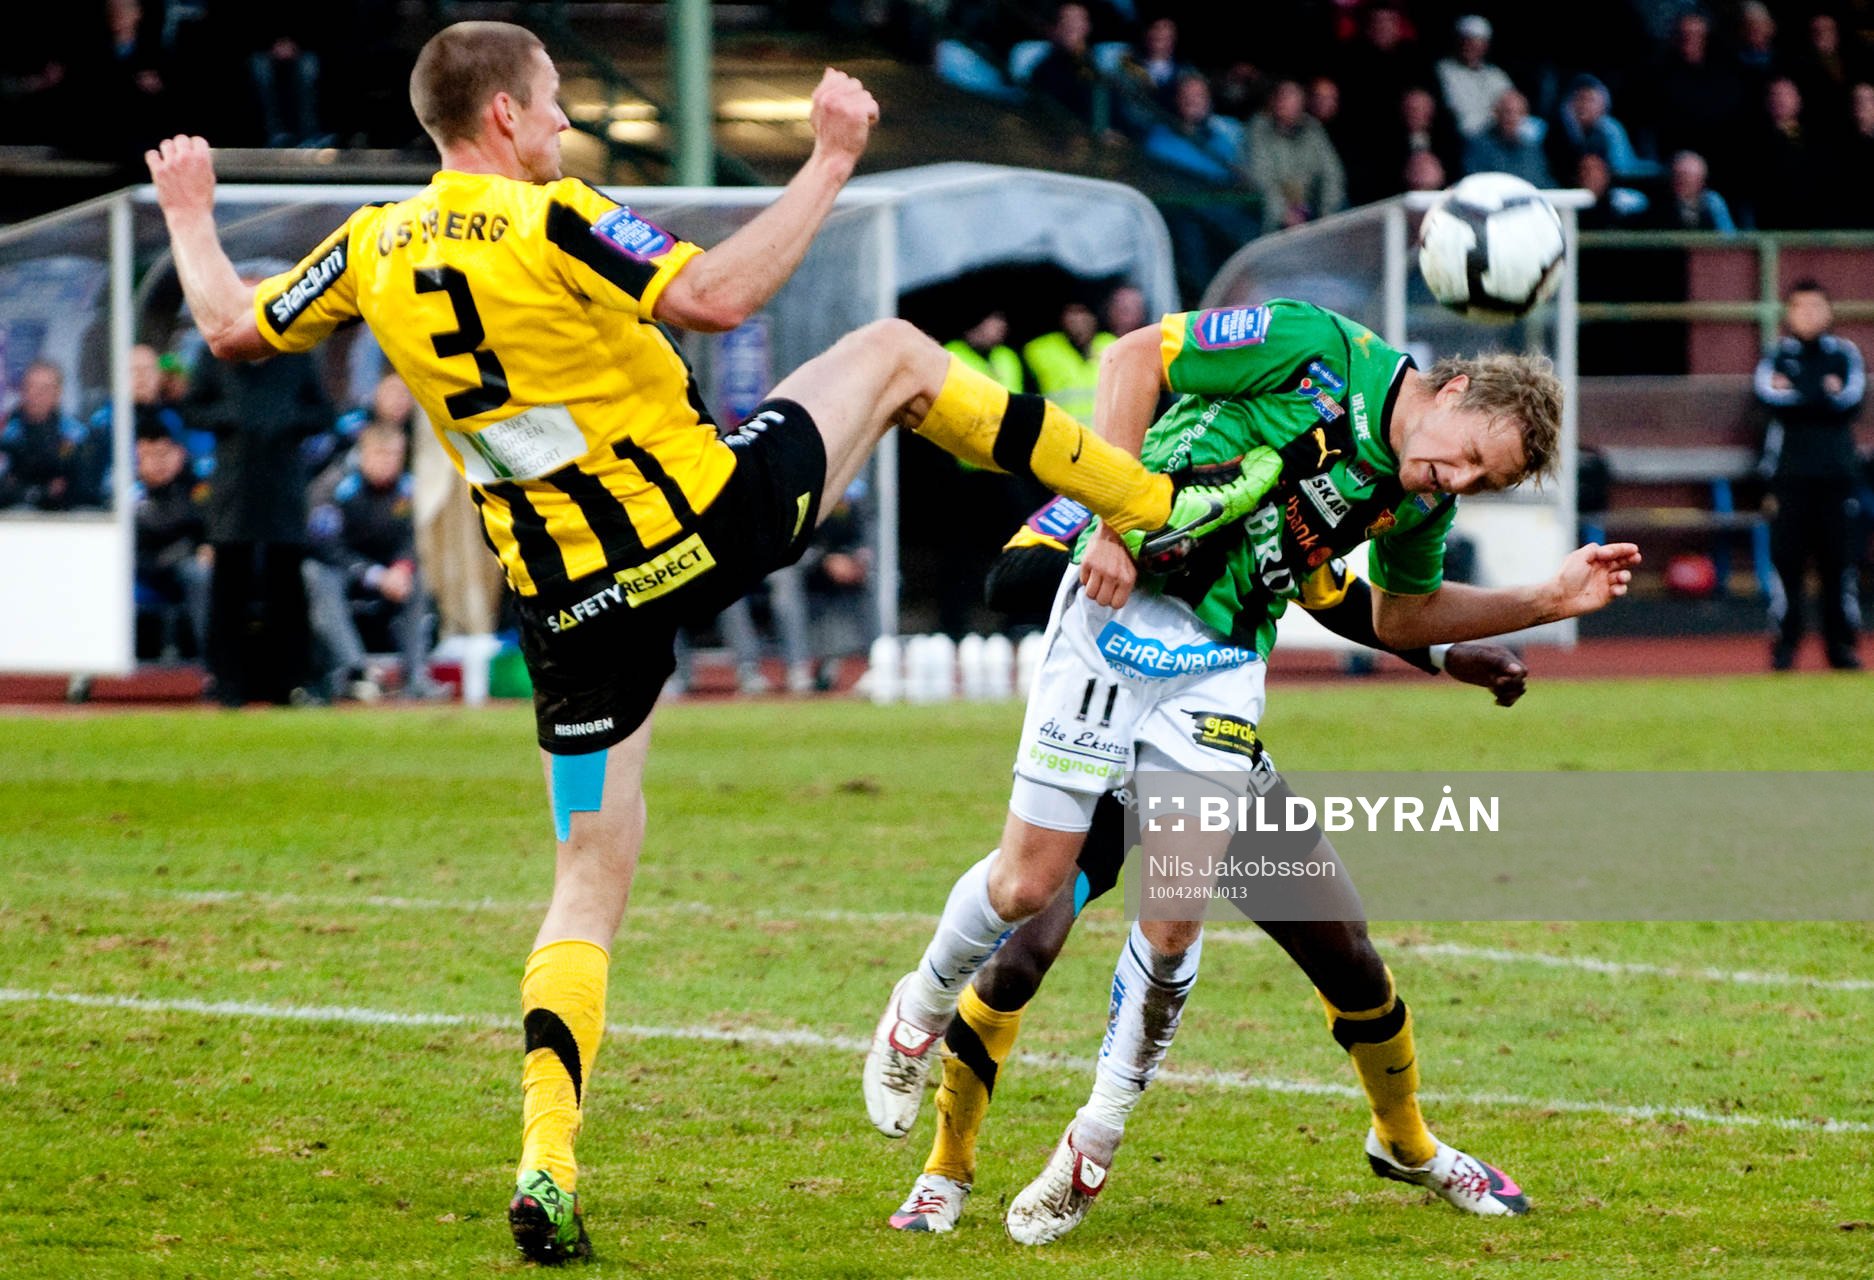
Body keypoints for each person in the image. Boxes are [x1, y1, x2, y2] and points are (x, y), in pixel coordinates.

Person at [144, 20, 1272, 1265]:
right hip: (704, 518)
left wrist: (190, 211)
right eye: (558, 102)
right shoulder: (552, 212)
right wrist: (829, 160)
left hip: (572, 613)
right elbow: (716, 295)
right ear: (506, 118)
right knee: (895, 356)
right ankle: (1149, 501)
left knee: (585, 874)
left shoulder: (371, 243)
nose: (567, 123)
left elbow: (235, 328)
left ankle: (547, 1161)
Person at [861, 299, 1642, 1244]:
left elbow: (1392, 612)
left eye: (1483, 482)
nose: (1460, 479)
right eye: (1471, 454)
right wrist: (1105, 516)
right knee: (1025, 914)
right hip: (1115, 640)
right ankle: (943, 1153)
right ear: (1459, 387)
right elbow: (1132, 362)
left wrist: (1541, 602)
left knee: (1318, 943)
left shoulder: (1411, 492)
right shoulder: (1312, 349)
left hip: (1220, 672)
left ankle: (1124, 1145)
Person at [888, 493, 1531, 1234]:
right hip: (1107, 755)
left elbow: (1339, 596)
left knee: (1345, 953)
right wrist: (1126, 540)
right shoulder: (1123, 473)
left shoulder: (1275, 467)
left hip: (1211, 751)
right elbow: (1013, 578)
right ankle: (946, 1169)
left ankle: (1407, 1144)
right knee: (1022, 949)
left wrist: (1450, 655)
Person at [186, 342, 330, 706]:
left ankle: (292, 683)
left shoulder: (297, 357)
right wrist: (233, 415)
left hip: (283, 493)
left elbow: (324, 413)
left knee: (287, 591)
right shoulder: (215, 357)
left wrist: (287, 417)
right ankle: (228, 683)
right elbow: (191, 410)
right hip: (234, 494)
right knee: (228, 590)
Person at [1756, 280, 1867, 670]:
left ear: (1830, 313)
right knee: (1787, 563)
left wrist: (1802, 394)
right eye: (1800, 308)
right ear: (1789, 314)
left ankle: (1842, 647)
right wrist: (1819, 393)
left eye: (1816, 307)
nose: (1809, 315)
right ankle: (1785, 647)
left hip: (1837, 477)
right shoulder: (1776, 355)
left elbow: (1849, 400)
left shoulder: (1845, 355)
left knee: (1839, 564)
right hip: (1789, 478)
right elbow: (1768, 398)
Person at [304, 422, 435, 699]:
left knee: (418, 578)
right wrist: (373, 575)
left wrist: (402, 567)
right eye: (381, 454)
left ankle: (416, 676)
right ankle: (357, 672)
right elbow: (325, 547)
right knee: (316, 574)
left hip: (387, 574)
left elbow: (411, 539)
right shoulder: (335, 487)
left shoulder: (406, 490)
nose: (389, 462)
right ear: (363, 454)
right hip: (343, 571)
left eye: (395, 455)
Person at [131, 424, 210, 659]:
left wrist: (209, 547)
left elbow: (212, 526)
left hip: (193, 564)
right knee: (198, 573)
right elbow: (142, 557)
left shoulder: (198, 489)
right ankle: (213, 660)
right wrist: (192, 549)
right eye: (149, 456)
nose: (159, 463)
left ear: (180, 454)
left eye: (165, 453)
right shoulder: (131, 497)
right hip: (154, 571)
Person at [0, 360, 106, 512]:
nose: (35, 394)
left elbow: (84, 487)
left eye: (44, 389)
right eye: (30, 387)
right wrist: (42, 491)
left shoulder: (76, 433)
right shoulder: (6, 431)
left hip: (65, 516)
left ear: (58, 393)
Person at [1246, 79, 1347, 235]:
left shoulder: (1313, 129)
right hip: (1272, 214)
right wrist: (1282, 213)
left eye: (1291, 97)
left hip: (1313, 209)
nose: (1284, 103)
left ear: (1302, 102)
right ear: (1273, 100)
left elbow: (1332, 173)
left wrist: (1327, 213)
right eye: (1281, 97)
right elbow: (1260, 177)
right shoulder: (1259, 129)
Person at [1435, 14, 1514, 138]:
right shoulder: (1444, 70)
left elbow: (1512, 104)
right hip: (1465, 136)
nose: (1472, 47)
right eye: (1468, 41)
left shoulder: (1495, 74)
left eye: (1478, 43)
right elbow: (1459, 115)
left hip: (1498, 135)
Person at [1463, 87, 1554, 187]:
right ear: (1496, 114)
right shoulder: (1478, 146)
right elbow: (1476, 185)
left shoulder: (1533, 149)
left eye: (1519, 113)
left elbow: (1545, 183)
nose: (1512, 118)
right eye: (1507, 112)